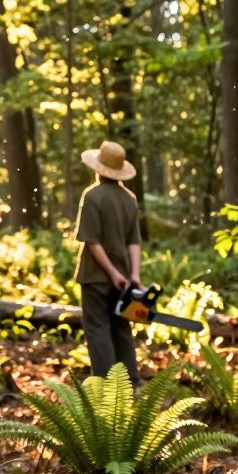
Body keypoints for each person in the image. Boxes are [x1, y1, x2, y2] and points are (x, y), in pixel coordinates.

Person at [73, 140, 142, 384]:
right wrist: (134, 275)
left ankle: (104, 387)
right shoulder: (129, 199)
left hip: (95, 276)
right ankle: (129, 384)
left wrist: (111, 273)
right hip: (123, 278)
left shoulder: (92, 196)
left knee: (97, 329)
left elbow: (91, 242)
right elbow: (134, 242)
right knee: (122, 329)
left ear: (98, 168)